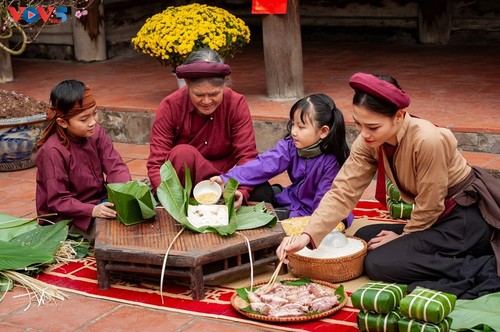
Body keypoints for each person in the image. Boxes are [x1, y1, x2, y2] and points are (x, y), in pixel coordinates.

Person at [277, 72, 500, 299]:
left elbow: (431, 204)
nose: (364, 134)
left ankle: (480, 265)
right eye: (359, 125)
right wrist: (307, 236)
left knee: (378, 263)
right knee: (363, 238)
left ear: (399, 116)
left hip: (463, 219)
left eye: (373, 127)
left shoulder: (428, 139)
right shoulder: (369, 141)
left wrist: (405, 237)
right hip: (437, 218)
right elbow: (342, 192)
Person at [210, 93, 354, 226]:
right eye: (293, 124)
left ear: (323, 132)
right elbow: (264, 165)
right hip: (292, 199)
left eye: (301, 127)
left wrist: (309, 228)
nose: (293, 132)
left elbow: (323, 206)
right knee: (257, 189)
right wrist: (227, 179)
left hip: (311, 212)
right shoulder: (291, 145)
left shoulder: (331, 163)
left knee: (267, 218)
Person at [147, 48, 258, 202]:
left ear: (224, 84)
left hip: (222, 183)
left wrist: (241, 191)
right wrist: (167, 198)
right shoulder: (171, 105)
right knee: (183, 153)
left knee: (262, 191)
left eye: (214, 94)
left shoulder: (236, 103)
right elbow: (156, 162)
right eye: (199, 94)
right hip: (183, 185)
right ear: (186, 84)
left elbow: (248, 155)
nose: (206, 101)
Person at [35, 79, 131, 240]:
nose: (93, 122)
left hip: (99, 201)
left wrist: (124, 191)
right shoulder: (52, 151)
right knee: (112, 234)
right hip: (69, 217)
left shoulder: (95, 132)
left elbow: (115, 166)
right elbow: (58, 200)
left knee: (146, 193)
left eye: (94, 113)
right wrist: (92, 210)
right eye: (83, 119)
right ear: (62, 122)